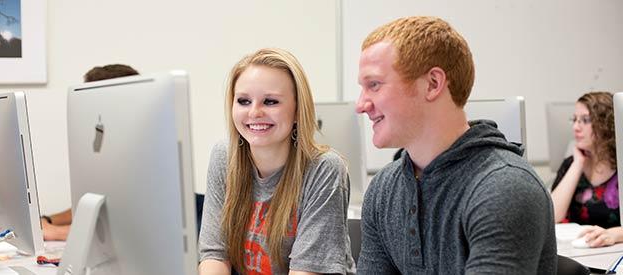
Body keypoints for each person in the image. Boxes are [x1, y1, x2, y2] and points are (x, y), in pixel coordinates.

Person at [355, 16, 557, 274]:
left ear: (433, 84)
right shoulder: (384, 189)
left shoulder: (504, 189)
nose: (361, 104)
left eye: (374, 85)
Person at [199, 48, 355, 274]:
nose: (254, 112)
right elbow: (215, 254)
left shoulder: (324, 168)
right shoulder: (224, 156)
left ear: (297, 110)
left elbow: (307, 269)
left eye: (270, 101)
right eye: (243, 101)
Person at [40, 64, 139, 241]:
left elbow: (127, 226)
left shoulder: (144, 151)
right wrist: (49, 220)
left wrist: (54, 232)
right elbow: (96, 205)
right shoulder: (104, 142)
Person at [551, 91, 622, 248]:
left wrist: (615, 234)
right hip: (578, 253)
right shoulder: (571, 164)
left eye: (585, 120)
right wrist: (578, 164)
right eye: (575, 120)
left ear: (606, 125)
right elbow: (552, 216)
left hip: (613, 254)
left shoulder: (621, 166)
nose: (576, 127)